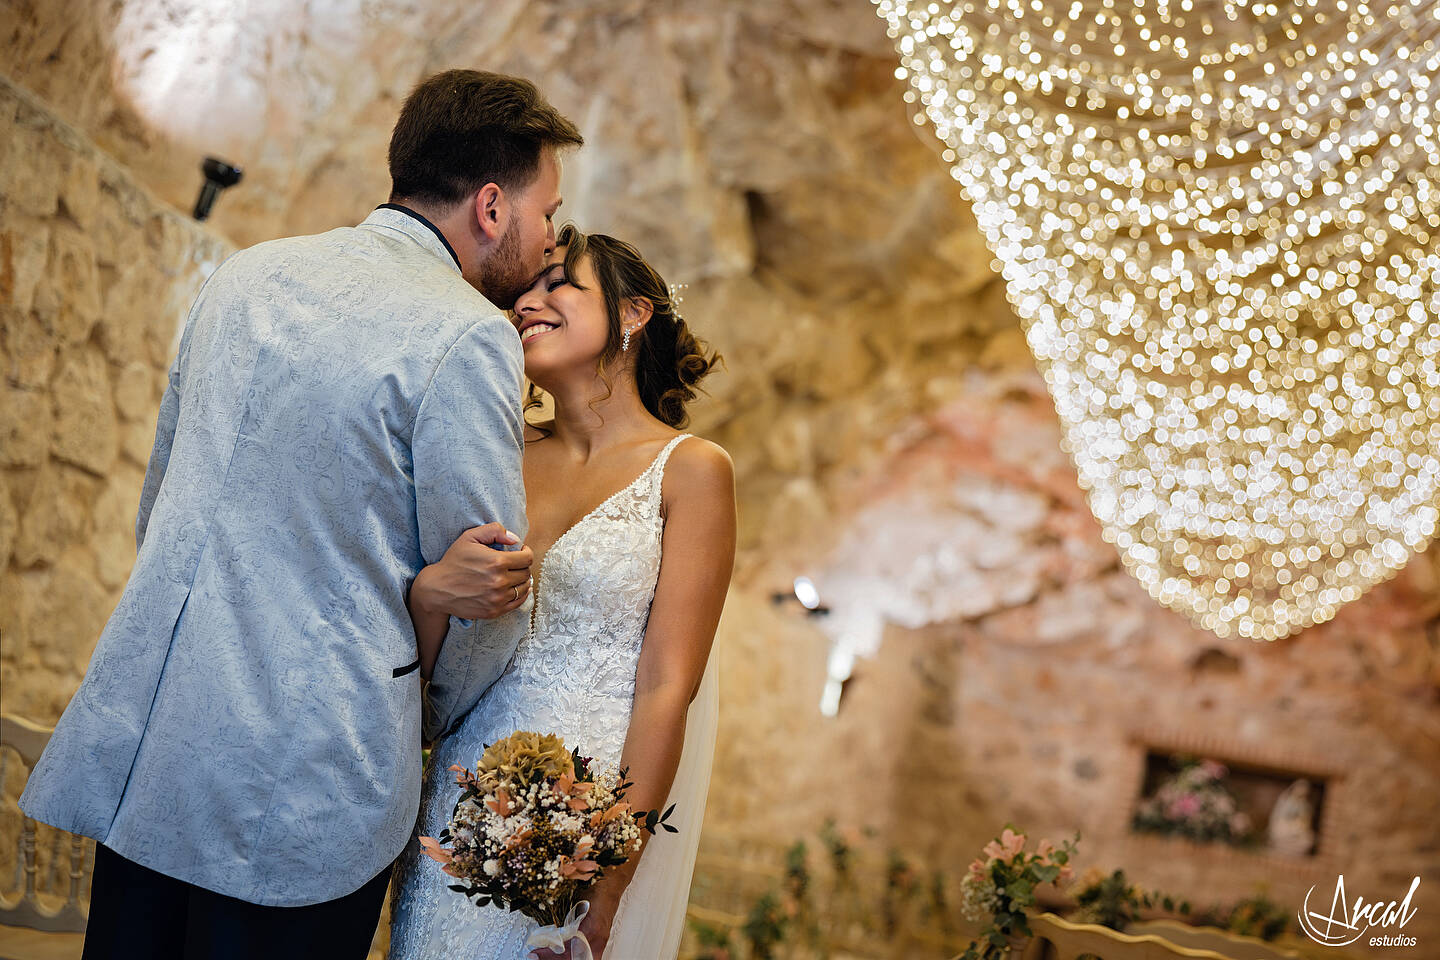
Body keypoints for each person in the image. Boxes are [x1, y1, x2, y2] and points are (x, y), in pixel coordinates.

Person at [19, 70, 581, 960]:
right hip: (307, 785)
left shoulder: (245, 274)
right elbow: (488, 592)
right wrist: (423, 716)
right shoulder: (469, 335)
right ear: (489, 206)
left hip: (158, 752)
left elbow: (161, 502)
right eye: (546, 211)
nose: (549, 234)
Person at [389, 224, 735, 960]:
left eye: (559, 285)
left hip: (586, 824)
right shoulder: (499, 451)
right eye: (523, 292)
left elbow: (666, 689)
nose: (526, 304)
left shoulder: (692, 471)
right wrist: (428, 593)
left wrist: (607, 886)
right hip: (457, 806)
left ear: (632, 314)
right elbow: (431, 646)